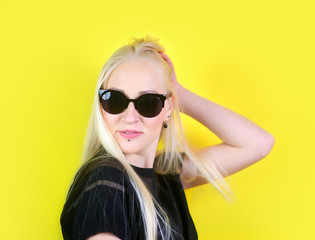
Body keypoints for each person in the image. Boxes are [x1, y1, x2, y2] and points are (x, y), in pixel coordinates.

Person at [60, 35, 275, 240]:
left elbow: (258, 143)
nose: (130, 117)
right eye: (115, 100)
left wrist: (179, 93)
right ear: (100, 105)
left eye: (148, 102)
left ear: (168, 106)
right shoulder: (105, 182)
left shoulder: (164, 174)